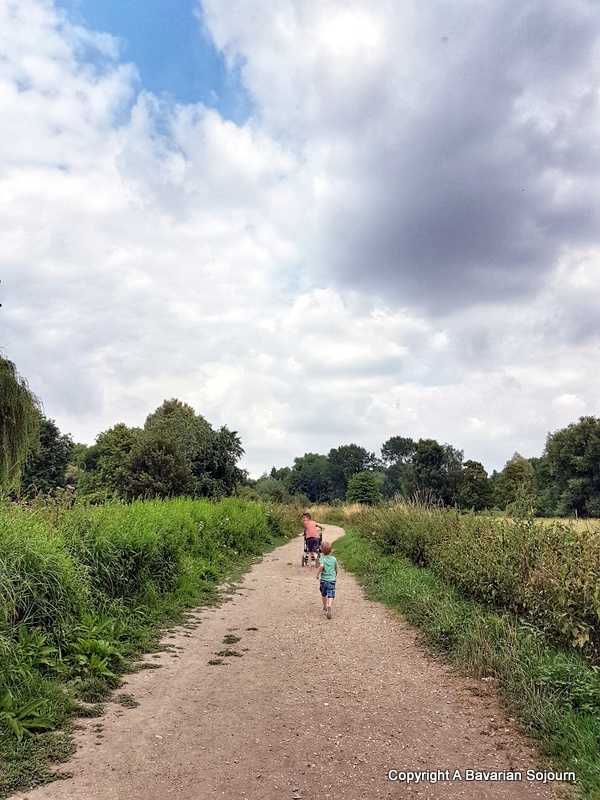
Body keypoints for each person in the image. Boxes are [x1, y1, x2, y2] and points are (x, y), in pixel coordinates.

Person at [316, 541, 338, 619]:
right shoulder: (333, 559)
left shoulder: (322, 559)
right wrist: (335, 575)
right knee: (331, 593)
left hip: (324, 580)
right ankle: (329, 605)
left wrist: (317, 574)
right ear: (331, 550)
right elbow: (336, 569)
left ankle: (325, 607)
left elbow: (321, 565)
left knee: (324, 594)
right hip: (332, 580)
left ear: (321, 550)